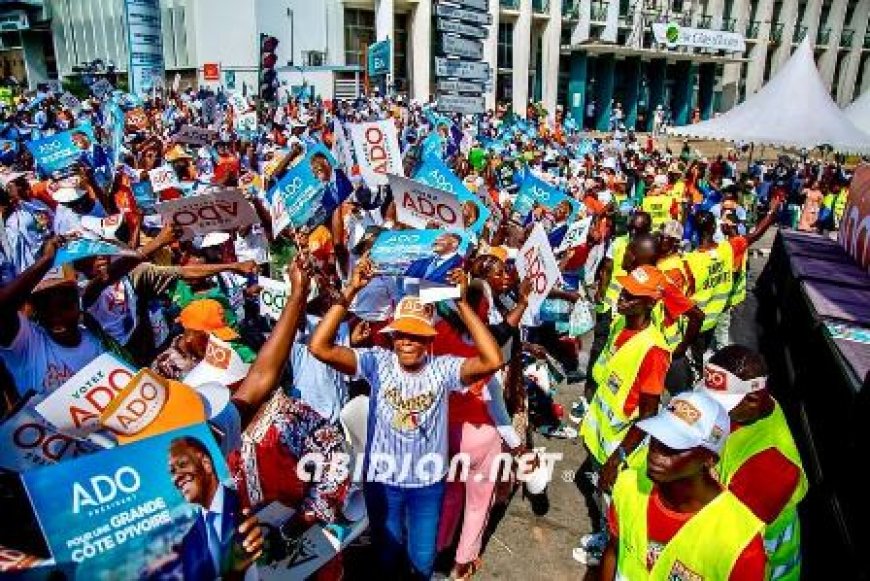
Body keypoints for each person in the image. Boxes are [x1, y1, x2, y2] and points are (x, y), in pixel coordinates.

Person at [309, 260, 504, 579]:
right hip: (382, 483)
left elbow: (493, 359)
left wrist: (460, 302)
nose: (407, 342)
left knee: (422, 562)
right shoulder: (376, 362)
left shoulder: (443, 369)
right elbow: (319, 346)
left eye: (416, 335)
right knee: (387, 558)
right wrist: (351, 289)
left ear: (429, 340)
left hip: (427, 484)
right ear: (391, 336)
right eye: (401, 334)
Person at [600, 391, 767, 579]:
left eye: (674, 446)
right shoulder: (629, 484)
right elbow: (614, 551)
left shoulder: (740, 544)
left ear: (709, 458)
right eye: (657, 436)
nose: (655, 453)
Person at [576, 265, 674, 566]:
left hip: (620, 448)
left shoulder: (654, 351)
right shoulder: (621, 325)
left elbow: (648, 414)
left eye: (634, 296)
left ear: (651, 303)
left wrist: (617, 457)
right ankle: (604, 538)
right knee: (599, 496)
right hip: (599, 438)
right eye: (625, 291)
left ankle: (609, 552)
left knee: (613, 506)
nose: (624, 298)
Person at [698, 346, 808, 581]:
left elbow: (726, 542)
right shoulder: (749, 411)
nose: (713, 411)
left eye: (721, 405)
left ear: (753, 398)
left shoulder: (770, 467)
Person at [168, 436, 263, 580]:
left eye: (182, 465)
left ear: (206, 464)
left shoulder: (248, 500)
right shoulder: (189, 543)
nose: (175, 478)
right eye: (172, 472)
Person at [586, 211, 652, 397]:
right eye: (630, 229)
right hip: (610, 306)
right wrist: (601, 291)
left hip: (631, 313)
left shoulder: (649, 248)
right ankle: (590, 392)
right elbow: (607, 267)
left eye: (637, 230)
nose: (632, 233)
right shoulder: (618, 242)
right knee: (599, 349)